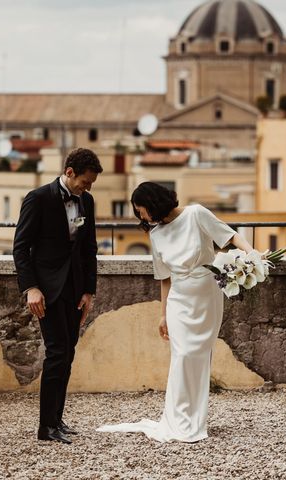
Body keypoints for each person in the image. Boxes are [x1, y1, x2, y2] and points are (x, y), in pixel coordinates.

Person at [97, 182, 253, 442]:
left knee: (198, 357)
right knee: (181, 355)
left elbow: (230, 236)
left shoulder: (196, 213)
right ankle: (178, 418)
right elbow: (164, 277)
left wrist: (253, 256)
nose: (141, 217)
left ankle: (194, 417)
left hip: (206, 295)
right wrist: (163, 314)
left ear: (154, 203)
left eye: (141, 210)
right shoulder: (156, 234)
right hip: (178, 299)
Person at [13, 147, 102, 444]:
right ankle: (45, 428)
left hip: (75, 290)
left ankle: (56, 420)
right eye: (85, 181)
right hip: (46, 291)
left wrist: (89, 291)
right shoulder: (38, 198)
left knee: (68, 354)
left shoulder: (86, 200)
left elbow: (89, 249)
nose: (87, 188)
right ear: (69, 172)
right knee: (57, 353)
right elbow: (20, 247)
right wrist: (31, 288)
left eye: (91, 184)